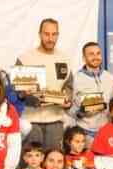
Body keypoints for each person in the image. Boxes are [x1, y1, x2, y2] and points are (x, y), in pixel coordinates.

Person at [15, 18, 73, 151]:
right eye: (47, 34)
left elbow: (68, 87)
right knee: (30, 167)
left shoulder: (65, 58)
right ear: (40, 34)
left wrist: (67, 101)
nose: (50, 38)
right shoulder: (25, 58)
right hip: (31, 122)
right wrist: (26, 95)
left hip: (55, 122)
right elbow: (17, 93)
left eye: (54, 34)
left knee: (53, 167)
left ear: (58, 35)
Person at [70, 41, 113, 146]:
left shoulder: (110, 78)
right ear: (83, 58)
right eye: (91, 54)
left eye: (98, 53)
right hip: (85, 132)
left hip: (106, 131)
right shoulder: (76, 78)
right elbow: (68, 107)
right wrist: (80, 113)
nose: (96, 57)